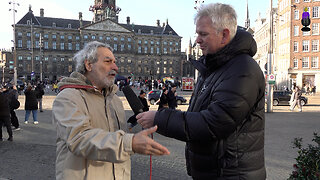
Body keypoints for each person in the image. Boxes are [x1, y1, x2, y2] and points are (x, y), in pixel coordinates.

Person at [137, 3, 266, 179]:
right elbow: (197, 114)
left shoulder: (242, 70)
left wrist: (160, 118)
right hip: (214, 172)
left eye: (203, 34)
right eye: (197, 34)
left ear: (224, 35)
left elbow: (214, 123)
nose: (197, 40)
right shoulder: (214, 67)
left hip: (231, 174)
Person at [52, 41, 169, 179]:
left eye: (115, 62)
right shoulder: (68, 97)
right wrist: (129, 143)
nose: (115, 67)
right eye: (108, 61)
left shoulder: (115, 101)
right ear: (88, 65)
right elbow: (79, 139)